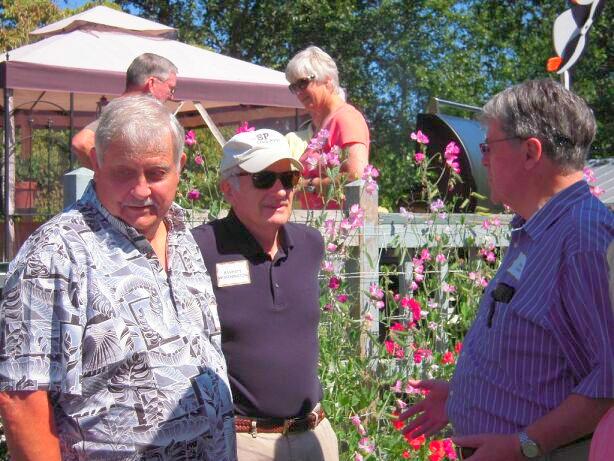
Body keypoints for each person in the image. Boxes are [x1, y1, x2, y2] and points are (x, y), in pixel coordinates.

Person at [0, 96, 236, 460]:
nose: (141, 190)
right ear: (96, 162)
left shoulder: (183, 235)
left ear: (180, 166)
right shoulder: (55, 254)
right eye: (124, 173)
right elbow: (22, 398)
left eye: (156, 173)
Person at [398, 79, 613, 461]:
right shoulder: (536, 229)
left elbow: (608, 378)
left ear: (531, 152)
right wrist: (463, 394)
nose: (482, 160)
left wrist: (524, 444)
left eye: (488, 147)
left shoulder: (583, 239)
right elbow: (542, 355)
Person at [191, 129, 339, 461]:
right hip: (245, 442)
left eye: (288, 178)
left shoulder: (309, 244)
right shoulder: (200, 249)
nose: (280, 190)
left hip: (315, 436)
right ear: (229, 188)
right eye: (263, 178)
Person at [285, 46, 370, 209]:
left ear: (327, 79)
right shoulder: (323, 126)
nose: (298, 92)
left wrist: (310, 184)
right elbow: (300, 182)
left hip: (340, 228)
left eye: (302, 83)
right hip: (321, 225)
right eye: (293, 87)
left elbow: (357, 176)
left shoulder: (346, 118)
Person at [71, 52, 178, 169]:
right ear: (152, 84)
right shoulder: (127, 111)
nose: (171, 96)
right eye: (171, 89)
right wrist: (113, 178)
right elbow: (81, 142)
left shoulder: (126, 111)